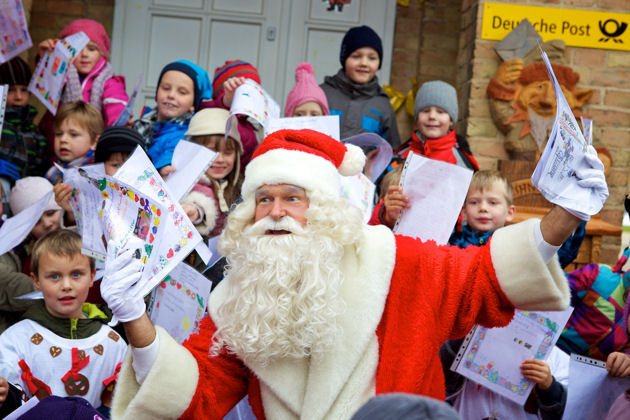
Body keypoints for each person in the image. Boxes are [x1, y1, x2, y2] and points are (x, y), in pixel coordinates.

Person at [104, 129, 606, 420]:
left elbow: (485, 275)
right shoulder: (240, 295)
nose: (276, 213)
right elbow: (201, 393)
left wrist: (566, 213)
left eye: (292, 198)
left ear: (322, 207)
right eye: (264, 199)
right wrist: (134, 320)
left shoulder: (396, 261)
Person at [0, 230, 127, 417]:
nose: (66, 285)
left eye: (76, 274)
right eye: (54, 276)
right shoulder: (15, 340)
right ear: (36, 280)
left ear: (92, 276)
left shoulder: (113, 342)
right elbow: (10, 398)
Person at [37, 19, 128, 142]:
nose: (84, 54)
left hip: (93, 151)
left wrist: (120, 125)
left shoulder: (110, 82)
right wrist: (46, 59)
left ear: (102, 54)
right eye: (78, 49)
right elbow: (45, 83)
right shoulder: (61, 73)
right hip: (55, 145)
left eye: (91, 49)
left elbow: (116, 110)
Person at [321, 25, 400, 148]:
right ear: (344, 59)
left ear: (379, 63)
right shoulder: (322, 94)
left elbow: (391, 152)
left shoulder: (383, 105)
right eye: (356, 56)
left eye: (372, 58)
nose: (364, 63)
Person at [0, 177, 61, 333]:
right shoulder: (31, 255)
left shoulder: (19, 242)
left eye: (51, 213)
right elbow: (8, 283)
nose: (47, 224)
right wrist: (58, 291)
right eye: (36, 220)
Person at [132, 60, 212, 176]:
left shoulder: (187, 135)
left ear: (193, 104)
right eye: (166, 88)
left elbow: (168, 162)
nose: (171, 95)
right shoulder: (143, 123)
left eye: (182, 92)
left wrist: (162, 168)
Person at [181, 108, 243, 239]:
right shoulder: (190, 185)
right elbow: (201, 202)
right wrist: (195, 211)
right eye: (211, 152)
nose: (219, 159)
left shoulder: (237, 186)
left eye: (227, 153)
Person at [199, 60, 262, 173]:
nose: (246, 98)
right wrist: (226, 103)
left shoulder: (251, 129)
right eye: (241, 92)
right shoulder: (208, 113)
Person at [0, 57, 49, 199]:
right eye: (11, 90)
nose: (19, 97)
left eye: (24, 90)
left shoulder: (36, 133)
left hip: (26, 197)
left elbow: (40, 170)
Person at [45, 102, 104, 184]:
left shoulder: (98, 173)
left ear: (94, 142)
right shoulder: (53, 172)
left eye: (73, 134)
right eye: (59, 134)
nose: (63, 139)